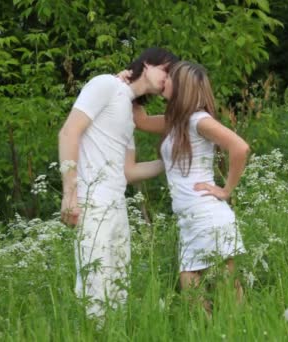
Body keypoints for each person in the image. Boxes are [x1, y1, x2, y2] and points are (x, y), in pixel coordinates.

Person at [58, 47, 179, 320]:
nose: (166, 79)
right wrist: (70, 192)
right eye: (165, 70)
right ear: (147, 64)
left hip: (117, 204)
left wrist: (170, 161)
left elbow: (129, 171)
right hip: (92, 200)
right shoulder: (105, 84)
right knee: (94, 288)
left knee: (118, 289)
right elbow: (68, 132)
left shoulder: (129, 110)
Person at [133, 61, 250, 313]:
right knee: (195, 298)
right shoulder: (174, 122)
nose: (164, 79)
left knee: (228, 295)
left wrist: (226, 190)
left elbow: (239, 147)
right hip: (189, 220)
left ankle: (242, 332)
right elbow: (139, 120)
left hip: (207, 215)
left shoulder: (198, 120)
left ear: (183, 86)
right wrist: (132, 81)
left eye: (169, 77)